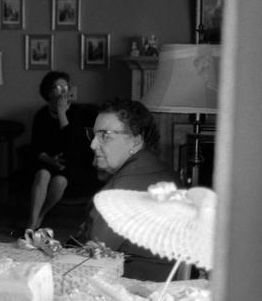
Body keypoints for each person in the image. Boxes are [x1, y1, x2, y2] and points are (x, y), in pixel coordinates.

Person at [72, 97, 181, 281]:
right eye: (93, 134)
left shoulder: (119, 193)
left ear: (136, 142)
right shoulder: (154, 167)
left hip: (139, 285)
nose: (92, 145)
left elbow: (92, 257)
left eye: (104, 135)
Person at [22, 71, 102, 232]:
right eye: (59, 87)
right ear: (48, 92)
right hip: (47, 161)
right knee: (42, 174)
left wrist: (61, 113)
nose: (64, 91)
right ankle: (31, 223)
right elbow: (35, 147)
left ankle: (41, 215)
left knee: (59, 182)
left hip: (73, 162)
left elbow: (70, 142)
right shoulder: (41, 115)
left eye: (66, 86)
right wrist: (50, 160)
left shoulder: (77, 112)